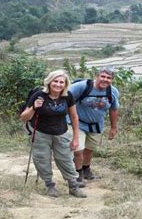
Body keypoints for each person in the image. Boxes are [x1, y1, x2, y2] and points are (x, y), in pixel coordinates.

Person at [20, 69, 86, 198]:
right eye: (55, 81)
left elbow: (74, 117)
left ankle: (73, 186)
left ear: (65, 84)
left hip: (61, 132)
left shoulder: (67, 96)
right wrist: (34, 107)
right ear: (49, 82)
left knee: (66, 159)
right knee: (42, 159)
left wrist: (76, 138)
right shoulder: (39, 95)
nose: (58, 84)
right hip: (40, 133)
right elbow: (24, 117)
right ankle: (49, 185)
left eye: (62, 82)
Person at [69, 67, 120, 181]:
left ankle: (86, 170)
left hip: (96, 125)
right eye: (103, 76)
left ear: (112, 80)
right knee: (78, 150)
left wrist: (113, 127)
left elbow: (114, 109)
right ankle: (78, 174)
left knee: (89, 149)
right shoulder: (81, 87)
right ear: (97, 76)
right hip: (77, 123)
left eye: (109, 78)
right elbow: (65, 98)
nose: (105, 80)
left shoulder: (112, 92)